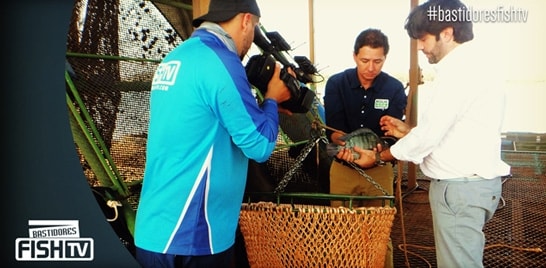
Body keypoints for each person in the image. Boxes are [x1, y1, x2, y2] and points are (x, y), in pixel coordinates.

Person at [335, 0, 511, 267]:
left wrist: (382, 156)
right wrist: (409, 132)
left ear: (447, 33)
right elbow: (449, 130)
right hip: (473, 186)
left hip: (460, 189)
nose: (419, 46)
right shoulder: (479, 64)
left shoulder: (458, 72)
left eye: (424, 38)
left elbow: (429, 136)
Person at [133, 0, 292, 267]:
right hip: (195, 234)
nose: (252, 39)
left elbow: (206, 120)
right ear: (245, 20)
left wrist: (264, 109)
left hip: (152, 230)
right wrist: (273, 100)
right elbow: (261, 145)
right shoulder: (222, 61)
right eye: (254, 28)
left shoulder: (175, 58)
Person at [323, 28, 407, 268]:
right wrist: (347, 149)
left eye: (377, 61)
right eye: (365, 60)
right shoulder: (337, 83)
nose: (371, 67)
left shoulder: (394, 89)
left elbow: (393, 136)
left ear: (385, 58)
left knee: (380, 236)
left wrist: (376, 156)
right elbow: (334, 131)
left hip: (379, 169)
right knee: (341, 234)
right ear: (354, 56)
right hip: (342, 167)